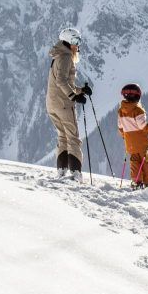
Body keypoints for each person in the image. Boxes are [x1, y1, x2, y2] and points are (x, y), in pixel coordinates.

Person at [46, 27, 91, 181]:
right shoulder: (65, 57)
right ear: (69, 41)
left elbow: (62, 82)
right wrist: (74, 96)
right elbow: (61, 81)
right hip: (64, 104)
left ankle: (62, 170)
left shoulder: (58, 56)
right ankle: (76, 173)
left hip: (52, 104)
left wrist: (80, 91)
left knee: (63, 136)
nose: (78, 45)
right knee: (73, 137)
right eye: (77, 41)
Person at [117, 83, 148, 189]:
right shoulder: (138, 110)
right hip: (142, 143)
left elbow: (120, 127)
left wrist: (125, 136)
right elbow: (143, 126)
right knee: (145, 162)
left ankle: (136, 182)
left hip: (130, 143)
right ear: (138, 96)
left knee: (135, 162)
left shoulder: (121, 111)